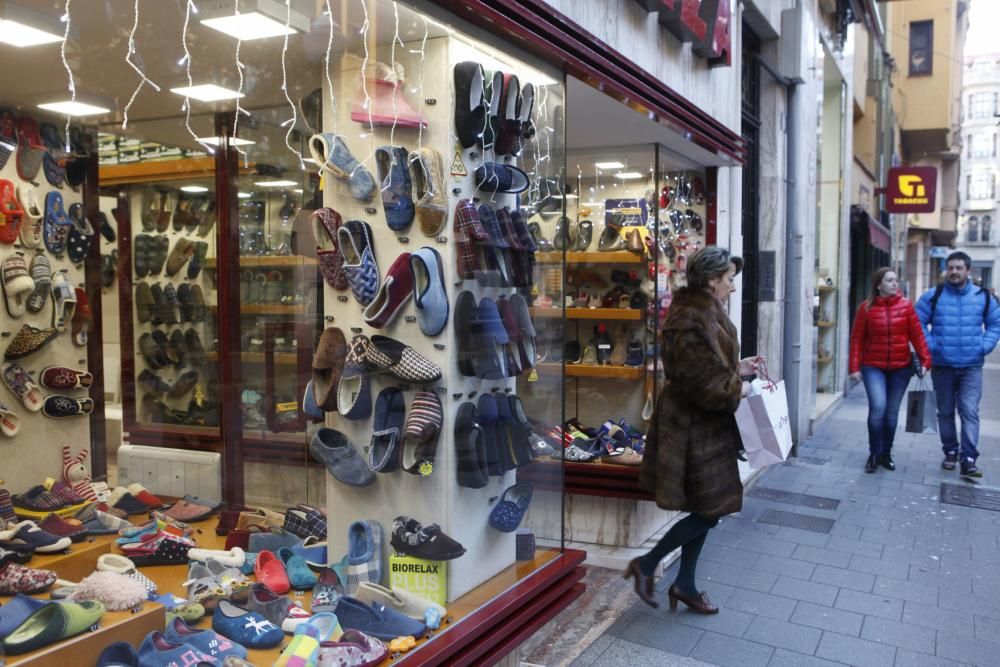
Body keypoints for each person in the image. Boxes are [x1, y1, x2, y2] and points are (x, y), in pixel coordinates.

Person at [627, 246, 760, 614]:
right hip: (692, 430)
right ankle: (649, 563)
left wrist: (739, 369)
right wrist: (739, 388)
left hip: (706, 426)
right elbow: (700, 381)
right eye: (729, 279)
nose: (732, 287)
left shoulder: (703, 312)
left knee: (708, 508)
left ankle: (685, 584)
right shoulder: (689, 319)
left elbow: (710, 367)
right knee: (709, 510)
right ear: (714, 279)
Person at [915, 251, 1000, 477]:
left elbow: (995, 325)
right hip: (943, 366)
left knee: (969, 411)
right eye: (950, 268)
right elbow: (917, 323)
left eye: (958, 268)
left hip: (972, 366)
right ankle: (951, 451)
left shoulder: (983, 297)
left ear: (968, 271)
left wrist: (984, 346)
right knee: (944, 412)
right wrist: (933, 347)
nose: (953, 272)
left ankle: (969, 458)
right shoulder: (933, 296)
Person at [848, 268, 931, 474]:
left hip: (900, 368)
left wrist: (925, 360)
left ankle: (886, 453)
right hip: (872, 366)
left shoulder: (906, 306)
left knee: (892, 412)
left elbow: (917, 335)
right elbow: (857, 338)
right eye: (890, 280)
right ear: (878, 285)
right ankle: (874, 453)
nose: (895, 283)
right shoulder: (865, 308)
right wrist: (854, 367)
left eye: (896, 280)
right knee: (878, 408)